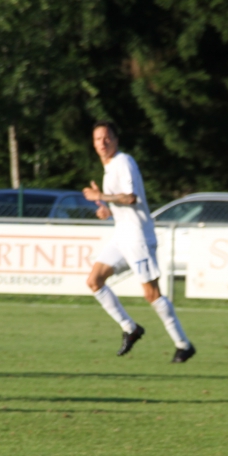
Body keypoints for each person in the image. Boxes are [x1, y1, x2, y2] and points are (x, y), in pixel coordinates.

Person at [82, 120, 195, 363]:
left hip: (137, 237)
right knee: (94, 280)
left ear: (116, 139)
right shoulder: (109, 168)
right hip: (122, 236)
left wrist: (100, 195)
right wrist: (107, 211)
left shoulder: (123, 161)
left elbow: (131, 198)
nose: (102, 142)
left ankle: (183, 344)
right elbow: (123, 204)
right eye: (97, 139)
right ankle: (130, 328)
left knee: (152, 294)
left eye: (107, 137)